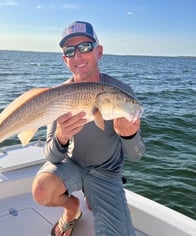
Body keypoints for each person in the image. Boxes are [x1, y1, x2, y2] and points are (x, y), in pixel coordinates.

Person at [32, 21, 145, 236]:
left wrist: (129, 136)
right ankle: (71, 208)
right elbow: (52, 156)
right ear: (64, 59)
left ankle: (92, 194)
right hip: (72, 165)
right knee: (42, 190)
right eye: (70, 51)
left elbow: (136, 155)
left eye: (85, 47)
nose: (78, 56)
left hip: (106, 173)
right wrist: (61, 137)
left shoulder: (121, 93)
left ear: (99, 51)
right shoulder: (59, 95)